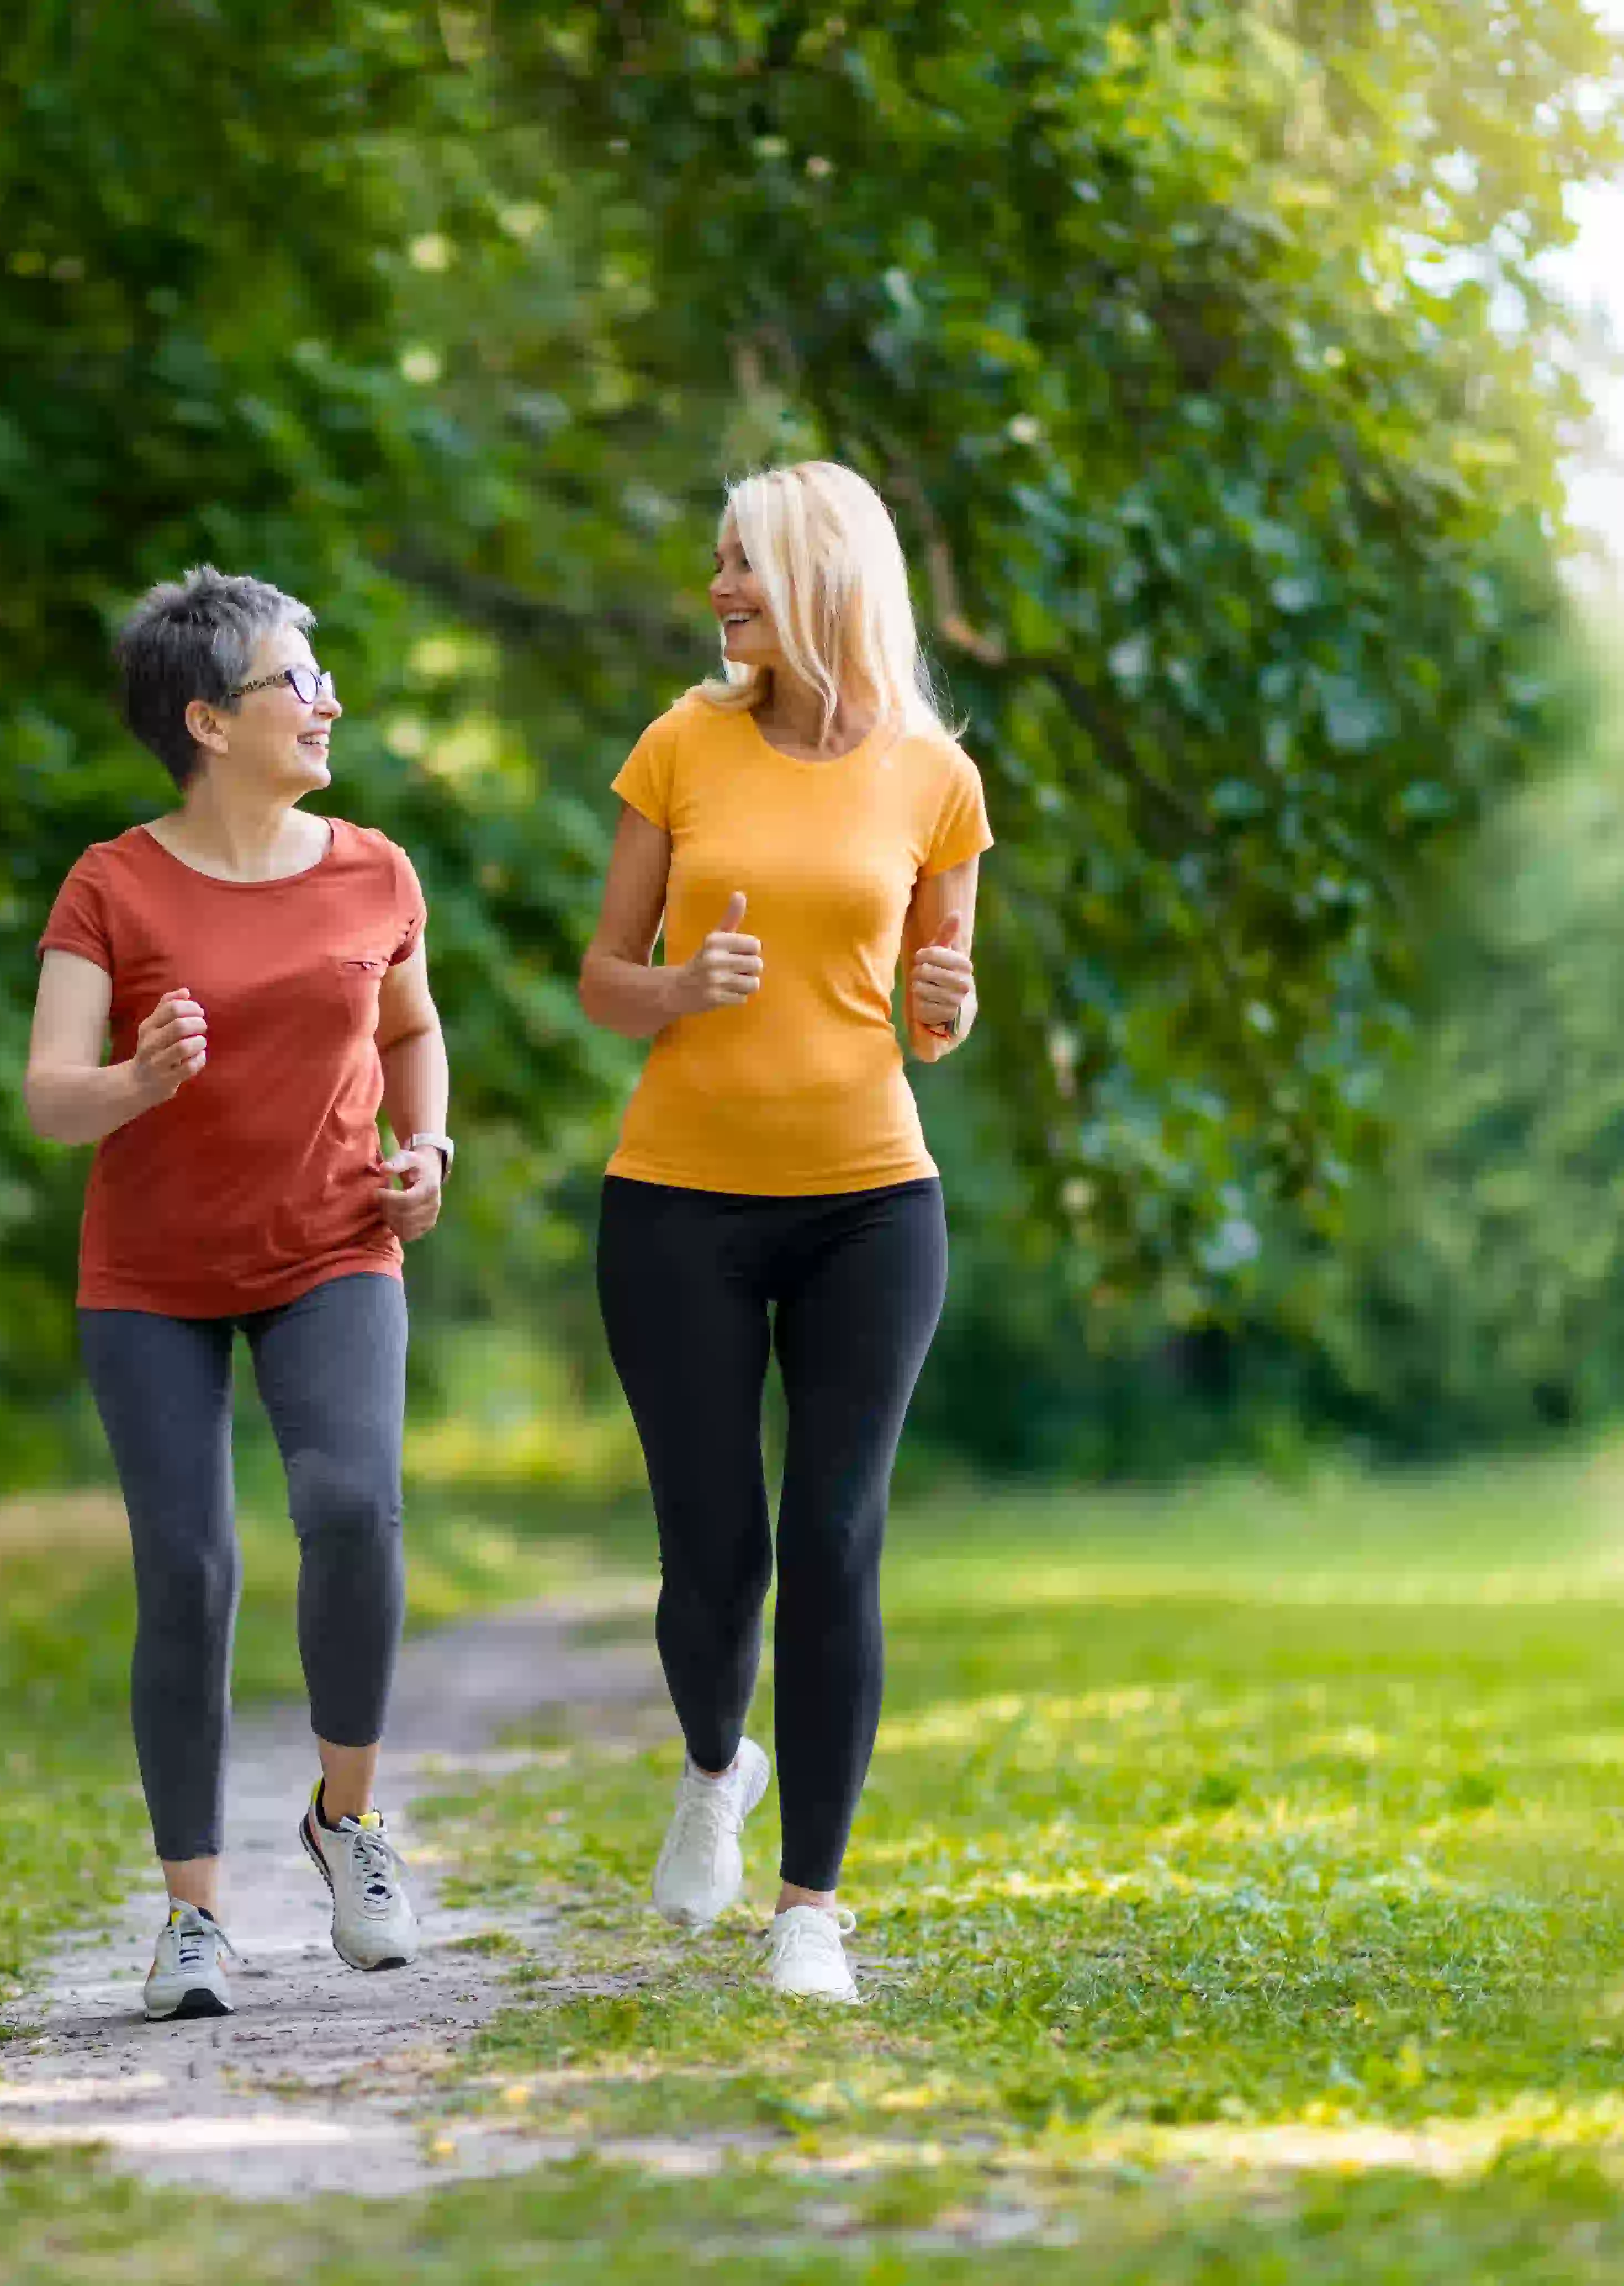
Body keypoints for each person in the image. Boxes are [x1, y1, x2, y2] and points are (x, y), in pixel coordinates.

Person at [575, 461, 989, 2003]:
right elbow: (604, 975)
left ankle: (810, 1904)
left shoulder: (937, 778)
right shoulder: (684, 745)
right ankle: (711, 1765)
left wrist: (948, 1004)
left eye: (741, 562)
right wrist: (680, 990)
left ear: (820, 575)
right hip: (676, 1200)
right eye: (717, 563)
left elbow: (935, 1007)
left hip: (873, 1202)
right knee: (713, 1554)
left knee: (834, 1536)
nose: (718, 588)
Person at [25, 567, 456, 2022]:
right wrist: (133, 1079)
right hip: (150, 1276)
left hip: (335, 1240)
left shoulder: (374, 869)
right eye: (299, 681)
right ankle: (195, 1912)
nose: (328, 700)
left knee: (351, 1506)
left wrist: (431, 1147)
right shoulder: (112, 884)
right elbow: (49, 1094)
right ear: (208, 720)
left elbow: (412, 1029)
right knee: (191, 1569)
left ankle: (349, 1820)